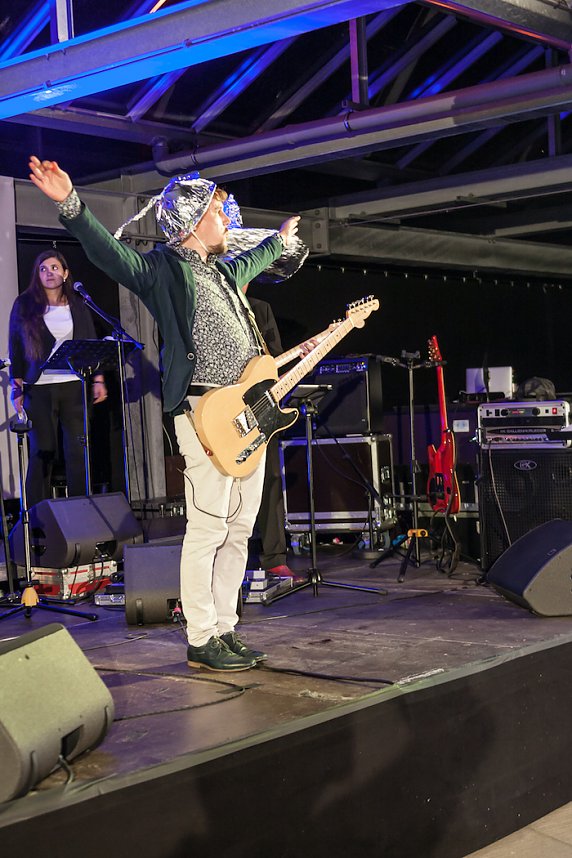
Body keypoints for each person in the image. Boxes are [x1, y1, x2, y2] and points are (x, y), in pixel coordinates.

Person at [28, 155, 302, 672]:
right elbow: (109, 254)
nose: (227, 223)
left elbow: (258, 257)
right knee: (208, 526)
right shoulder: (163, 270)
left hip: (248, 411)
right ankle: (201, 635)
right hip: (203, 411)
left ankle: (226, 627)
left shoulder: (222, 270)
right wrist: (70, 204)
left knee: (240, 525)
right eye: (220, 213)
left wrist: (280, 241)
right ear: (195, 220)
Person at [9, 249, 107, 508]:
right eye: (43, 268)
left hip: (74, 386)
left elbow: (90, 342)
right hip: (39, 388)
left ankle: (80, 513)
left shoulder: (78, 302)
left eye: (54, 268)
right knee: (43, 452)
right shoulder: (24, 304)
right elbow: (16, 346)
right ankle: (35, 520)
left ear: (65, 273)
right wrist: (16, 387)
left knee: (77, 451)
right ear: (37, 275)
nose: (49, 273)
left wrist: (98, 379)